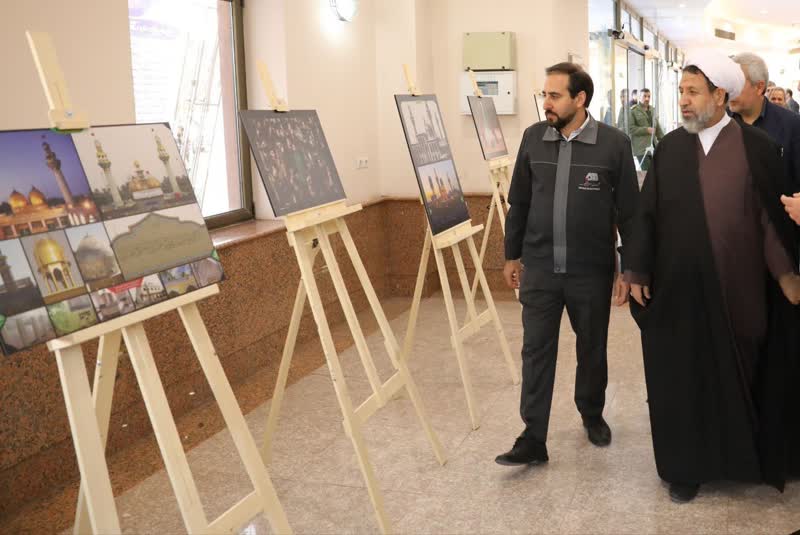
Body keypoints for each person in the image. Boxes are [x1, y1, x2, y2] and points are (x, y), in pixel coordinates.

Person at [624, 49, 800, 504]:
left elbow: (769, 219)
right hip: (680, 290)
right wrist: (637, 268)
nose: (683, 100)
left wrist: (786, 275)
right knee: (685, 377)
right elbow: (646, 215)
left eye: (693, 92)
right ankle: (687, 468)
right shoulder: (670, 148)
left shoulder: (757, 147)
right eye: (681, 91)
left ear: (720, 96)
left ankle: (746, 460)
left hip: (742, 287)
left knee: (748, 368)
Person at [496, 62, 639, 467]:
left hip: (590, 270)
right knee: (535, 350)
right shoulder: (533, 138)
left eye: (555, 95)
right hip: (540, 267)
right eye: (545, 94)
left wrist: (628, 269)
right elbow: (520, 202)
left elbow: (630, 213)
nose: (547, 103)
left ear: (580, 99)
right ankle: (533, 437)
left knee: (592, 348)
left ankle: (591, 414)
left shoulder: (614, 144)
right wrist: (511, 255)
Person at [730, 53, 800, 192]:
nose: (730, 90)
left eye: (736, 83)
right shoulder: (721, 122)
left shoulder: (792, 125)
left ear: (759, 87)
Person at [628, 88, 664, 170]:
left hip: (653, 146)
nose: (647, 99)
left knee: (656, 170)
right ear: (639, 97)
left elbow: (657, 128)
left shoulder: (652, 110)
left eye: (649, 96)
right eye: (644, 96)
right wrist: (646, 130)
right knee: (647, 171)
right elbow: (631, 129)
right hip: (641, 149)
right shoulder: (633, 111)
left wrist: (664, 140)